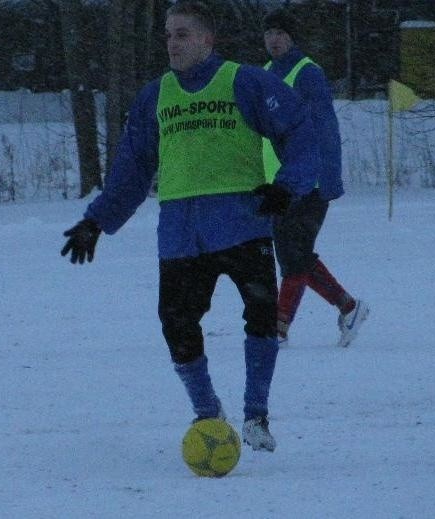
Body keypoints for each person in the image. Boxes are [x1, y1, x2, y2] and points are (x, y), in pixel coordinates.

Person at [61, 1, 320, 452]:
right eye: (167, 34)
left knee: (261, 317)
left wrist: (287, 185)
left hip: (242, 224)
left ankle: (256, 414)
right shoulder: (154, 96)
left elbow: (300, 129)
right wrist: (96, 220)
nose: (172, 43)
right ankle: (207, 413)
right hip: (180, 233)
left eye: (182, 34)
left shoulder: (245, 81)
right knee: (176, 324)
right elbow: (132, 169)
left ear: (206, 39)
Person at [262, 8, 369, 348]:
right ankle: (349, 307)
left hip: (309, 181)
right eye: (269, 33)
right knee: (294, 256)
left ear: (292, 38)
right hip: (277, 185)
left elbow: (323, 129)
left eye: (281, 33)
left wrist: (324, 178)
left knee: (294, 255)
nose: (274, 39)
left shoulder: (307, 73)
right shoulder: (263, 73)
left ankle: (278, 328)